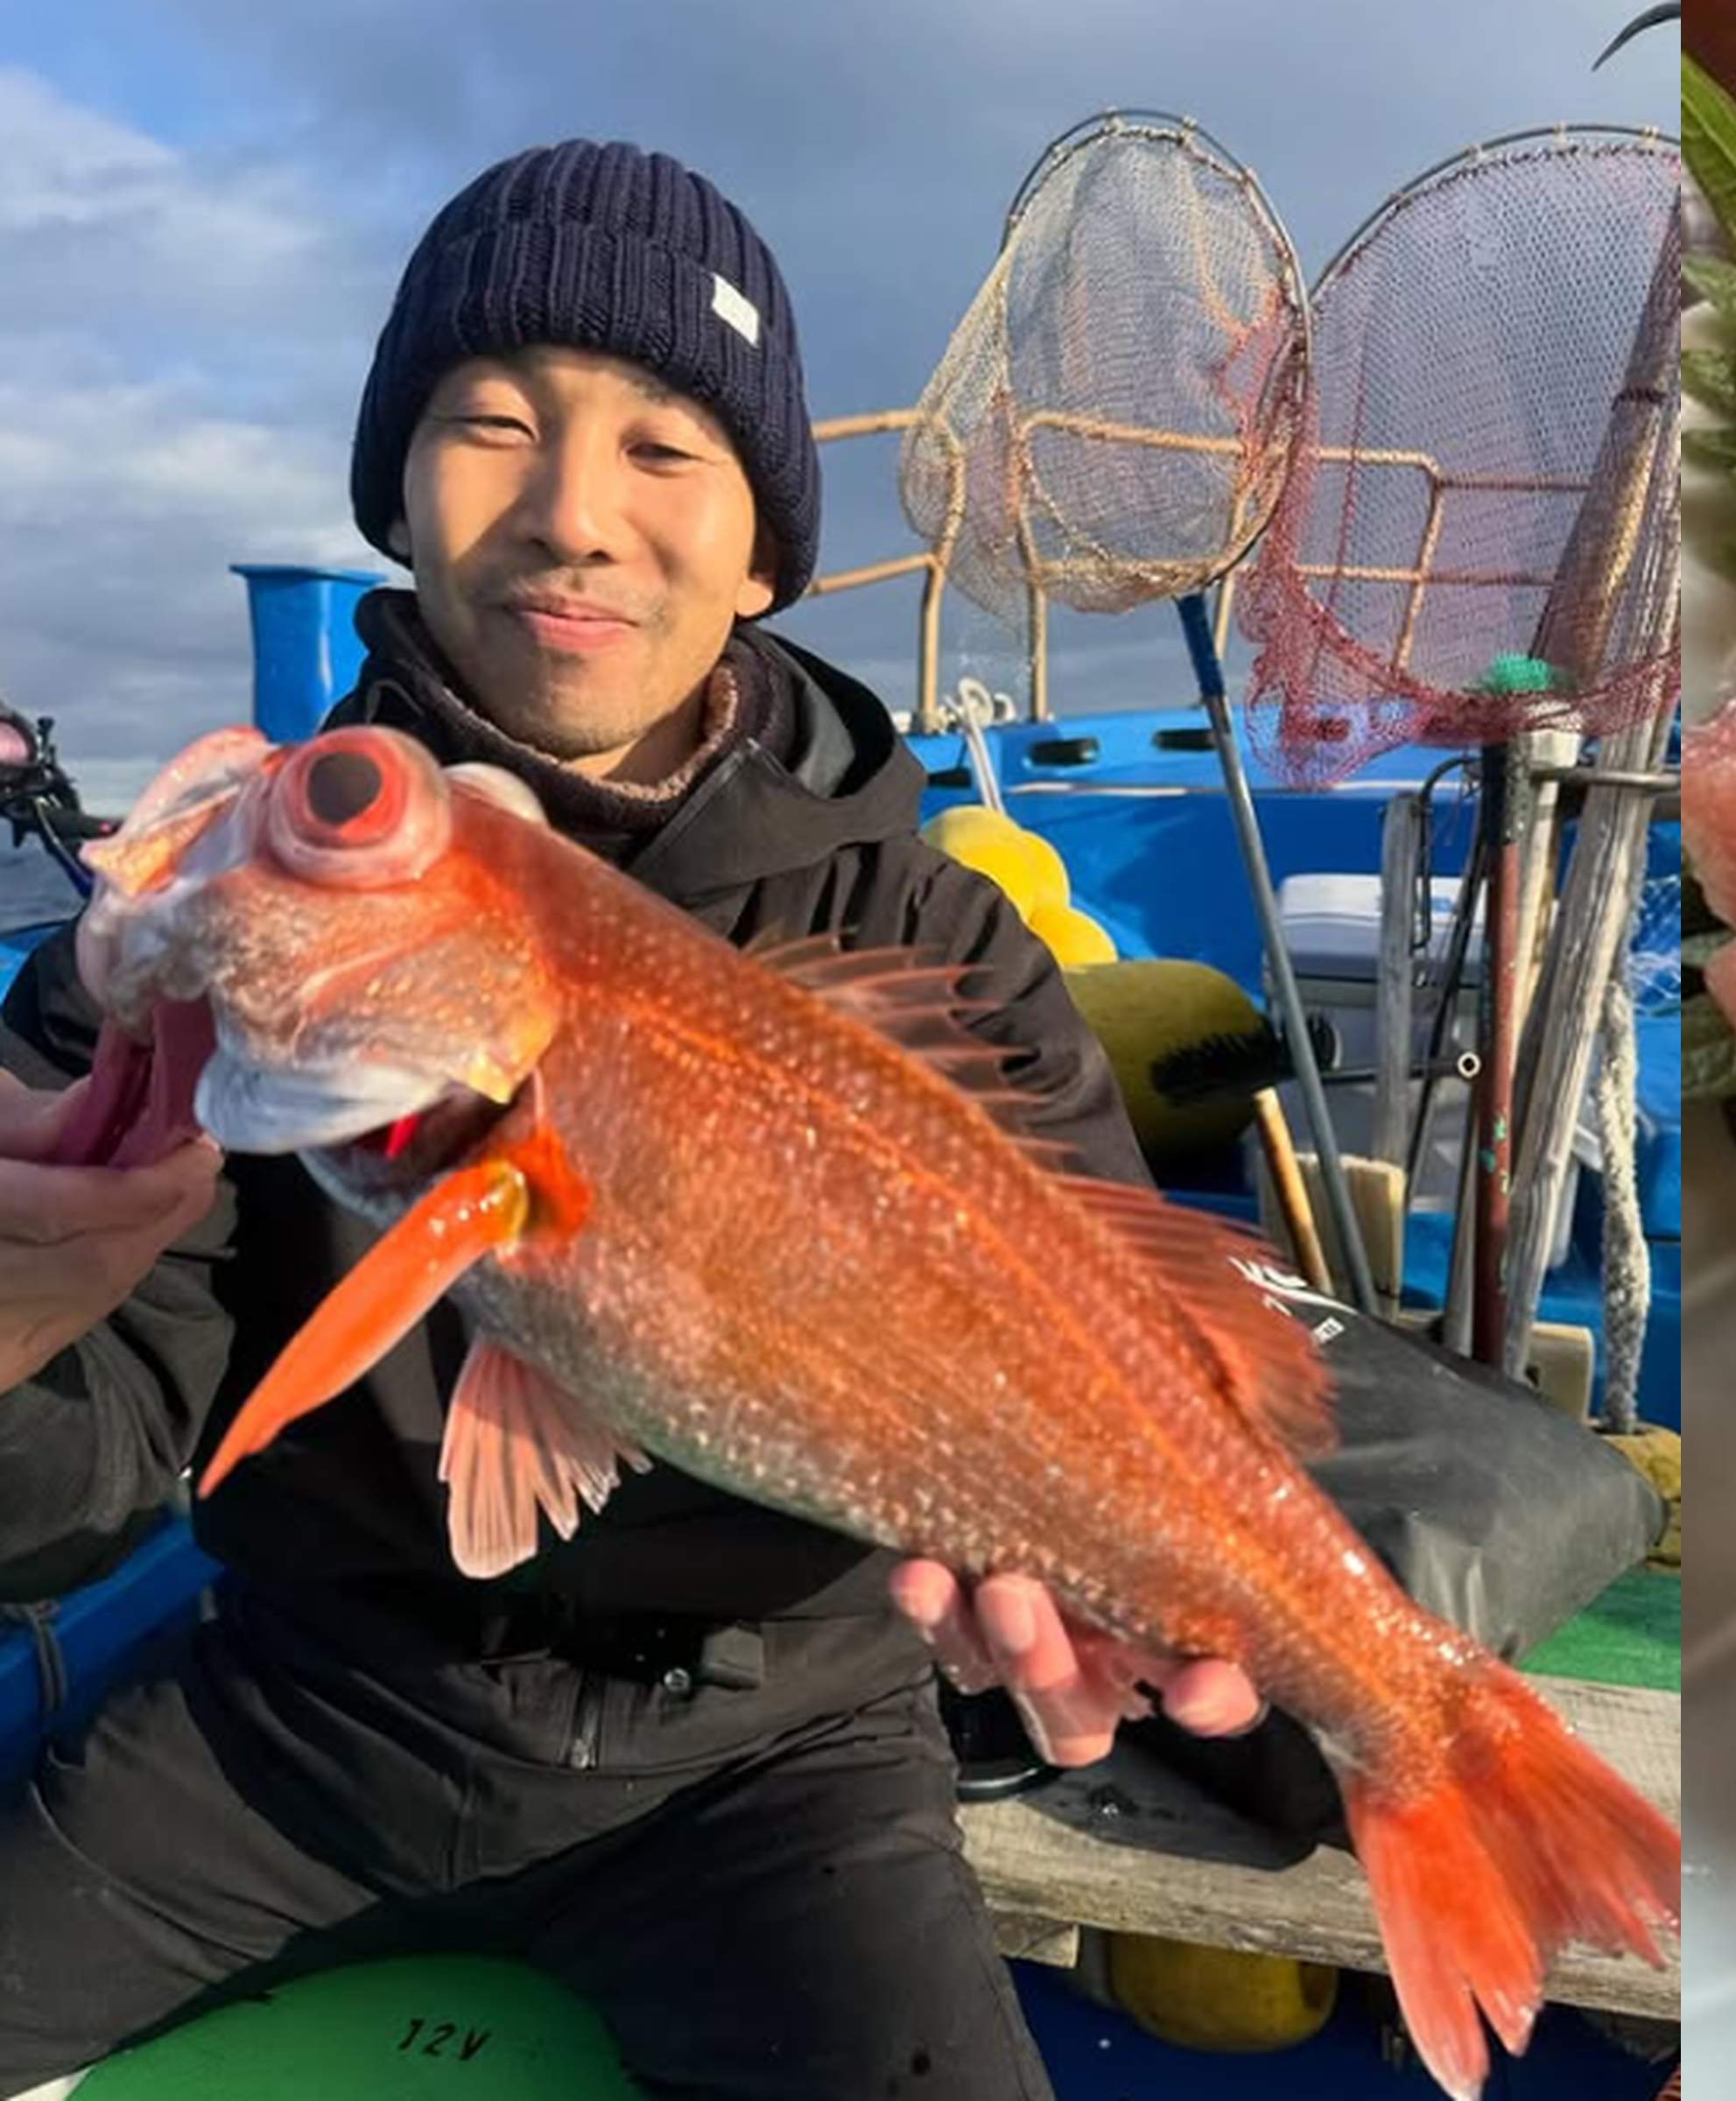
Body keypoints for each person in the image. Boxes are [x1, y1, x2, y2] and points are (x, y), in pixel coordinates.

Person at [0, 139, 1255, 2100]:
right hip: (306, 1715)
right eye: (489, 424)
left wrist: (1108, 1547)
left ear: (765, 554)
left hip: (780, 1758)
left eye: (667, 448)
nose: (574, 514)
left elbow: (1113, 1344)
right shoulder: (249, 947)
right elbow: (80, 1481)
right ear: (395, 506)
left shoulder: (933, 945)